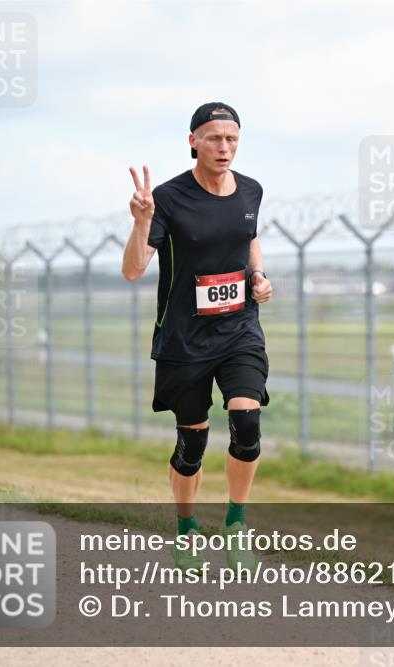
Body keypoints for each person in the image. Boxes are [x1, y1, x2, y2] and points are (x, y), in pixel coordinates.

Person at [121, 102, 273, 572]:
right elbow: (133, 270)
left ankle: (236, 523)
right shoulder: (168, 198)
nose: (223, 146)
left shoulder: (251, 190)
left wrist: (259, 276)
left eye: (231, 139)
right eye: (213, 138)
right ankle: (187, 528)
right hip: (185, 340)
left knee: (246, 424)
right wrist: (142, 219)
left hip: (239, 330)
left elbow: (248, 239)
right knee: (192, 445)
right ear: (193, 142)